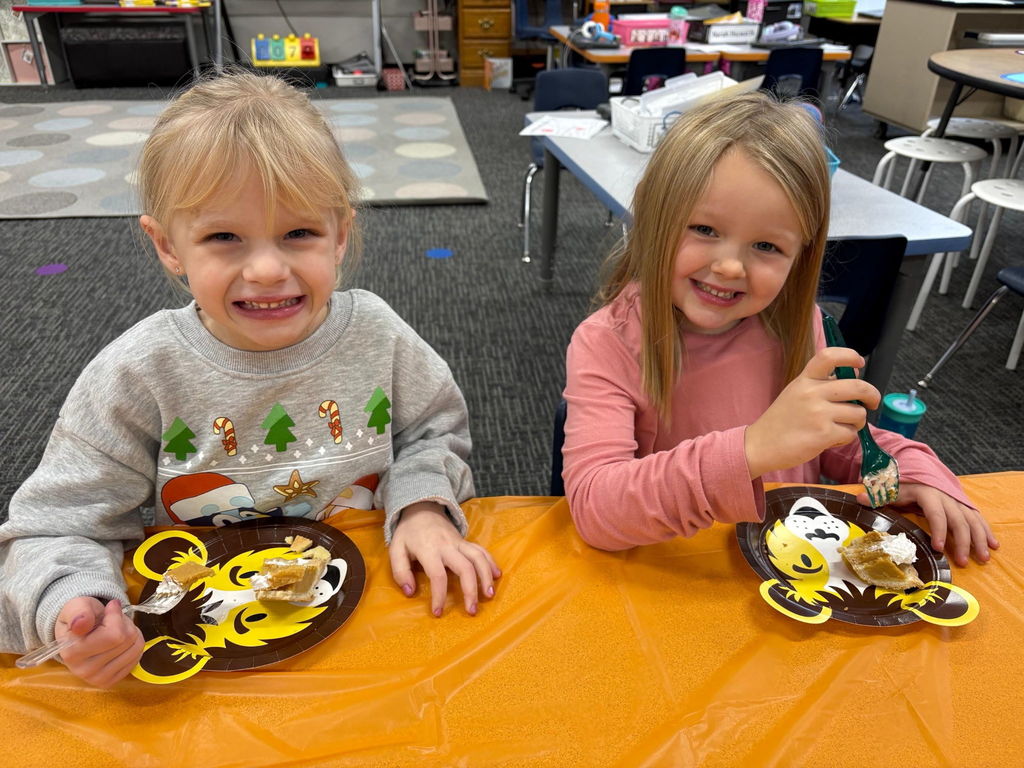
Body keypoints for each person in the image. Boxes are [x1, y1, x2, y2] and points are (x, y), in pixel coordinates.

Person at [0, 71, 499, 687]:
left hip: (373, 614)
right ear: (168, 247)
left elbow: (433, 433)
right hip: (200, 648)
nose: (267, 268)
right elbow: (57, 523)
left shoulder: (379, 334)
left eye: (299, 233)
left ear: (340, 234)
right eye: (223, 238)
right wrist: (71, 605)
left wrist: (423, 506)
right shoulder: (137, 372)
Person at [562, 90, 999, 568]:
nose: (730, 267)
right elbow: (596, 510)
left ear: (801, 255)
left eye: (767, 245)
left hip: (793, 571)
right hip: (679, 577)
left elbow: (846, 442)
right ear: (654, 217)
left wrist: (913, 472)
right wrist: (752, 449)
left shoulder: (802, 326)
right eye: (704, 230)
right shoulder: (607, 342)